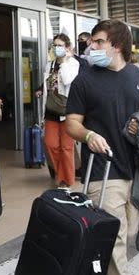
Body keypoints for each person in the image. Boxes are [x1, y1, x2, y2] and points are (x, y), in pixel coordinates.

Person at [65, 19, 139, 275]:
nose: (91, 47)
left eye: (98, 42)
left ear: (117, 45)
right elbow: (72, 124)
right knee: (115, 238)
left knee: (129, 234)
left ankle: (96, 274)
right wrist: (88, 135)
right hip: (103, 173)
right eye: (91, 42)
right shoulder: (84, 80)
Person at [36, 34, 80, 188]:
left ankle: (66, 181)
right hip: (51, 110)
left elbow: (68, 80)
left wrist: (64, 61)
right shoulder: (49, 63)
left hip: (67, 111)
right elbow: (48, 85)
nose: (56, 48)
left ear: (67, 48)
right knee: (50, 144)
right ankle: (61, 174)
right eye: (54, 45)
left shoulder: (73, 63)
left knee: (66, 148)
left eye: (60, 45)